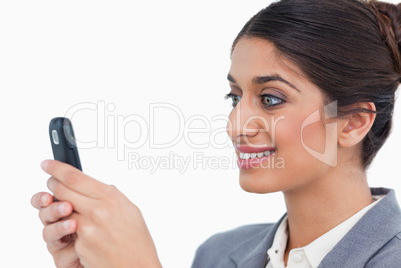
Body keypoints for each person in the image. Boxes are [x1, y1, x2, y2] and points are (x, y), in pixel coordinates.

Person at [31, 0, 401, 267]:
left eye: (270, 99)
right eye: (235, 97)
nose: (236, 125)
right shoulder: (217, 254)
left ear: (353, 122)